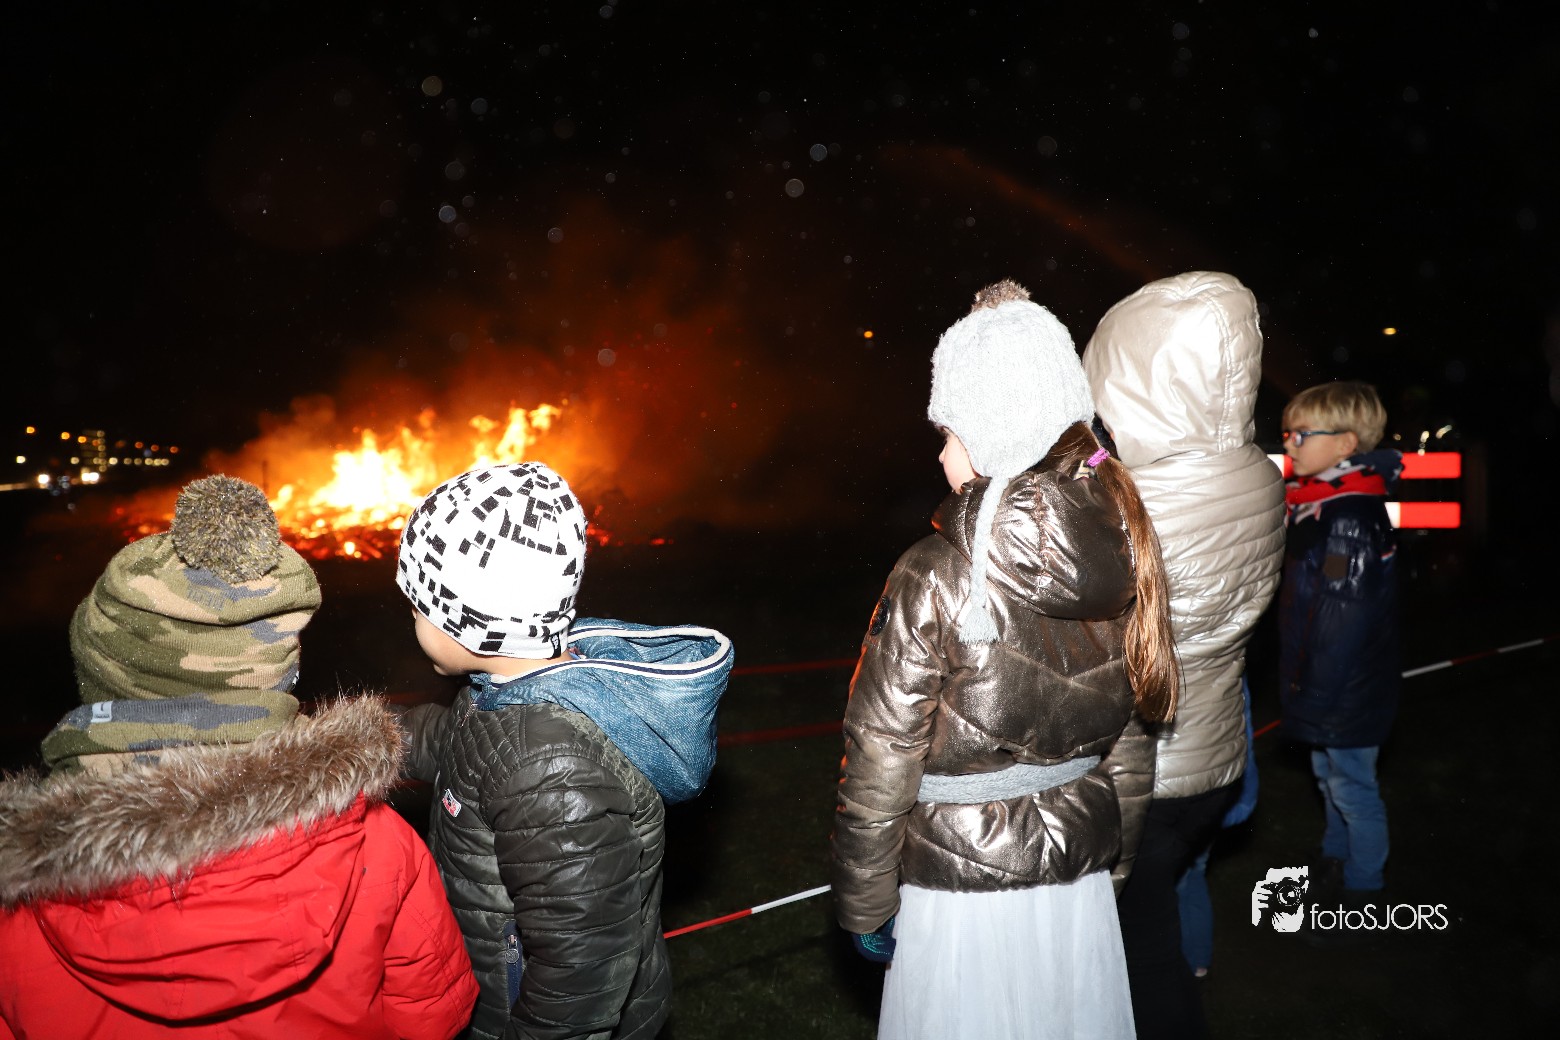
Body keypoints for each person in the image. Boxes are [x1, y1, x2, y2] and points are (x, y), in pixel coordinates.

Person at [0, 475, 478, 1040]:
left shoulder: (18, 893)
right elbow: (432, 1015)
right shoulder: (373, 842)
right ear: (277, 675)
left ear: (98, 677)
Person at [830, 279, 1177, 1040]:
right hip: (1076, 885)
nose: (941, 453)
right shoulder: (1125, 550)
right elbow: (1131, 740)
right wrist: (1113, 860)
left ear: (993, 435)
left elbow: (884, 746)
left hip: (957, 893)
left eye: (950, 433)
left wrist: (864, 898)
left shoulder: (934, 571)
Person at [395, 461, 733, 1040]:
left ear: (467, 624)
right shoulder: (507, 691)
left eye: (419, 606)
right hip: (493, 988)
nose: (412, 618)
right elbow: (449, 742)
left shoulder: (548, 769)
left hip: (523, 1013)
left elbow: (582, 971)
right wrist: (341, 742)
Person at [1081, 270, 1286, 1039]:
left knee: (1136, 962)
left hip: (1144, 773)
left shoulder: (1142, 504)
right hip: (1212, 755)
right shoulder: (1254, 474)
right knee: (1152, 932)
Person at [1277, 381, 1401, 906]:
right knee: (1330, 780)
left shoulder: (1348, 517)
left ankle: (1363, 890)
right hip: (1330, 683)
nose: (1290, 443)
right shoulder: (1321, 504)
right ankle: (1336, 857)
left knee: (1353, 788)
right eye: (1287, 433)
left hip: (1346, 688)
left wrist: (1312, 691)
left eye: (1302, 434)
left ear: (1346, 444)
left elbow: (1339, 617)